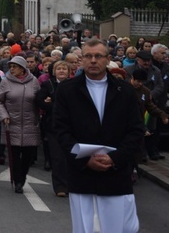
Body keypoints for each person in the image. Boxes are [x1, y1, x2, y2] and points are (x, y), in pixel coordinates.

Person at [53, 38, 144, 233]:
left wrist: (114, 158)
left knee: (123, 228)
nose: (93, 60)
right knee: (86, 229)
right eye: (88, 56)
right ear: (81, 59)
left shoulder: (125, 91)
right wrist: (85, 161)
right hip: (82, 174)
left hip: (116, 175)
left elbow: (135, 131)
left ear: (108, 59)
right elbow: (61, 130)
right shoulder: (66, 90)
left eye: (98, 56)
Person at [0, 55, 40, 193]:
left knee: (27, 156)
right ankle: (18, 181)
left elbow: (39, 99)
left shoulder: (34, 81)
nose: (11, 70)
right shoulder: (5, 82)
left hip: (29, 123)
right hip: (11, 123)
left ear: (22, 68)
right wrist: (4, 116)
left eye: (15, 67)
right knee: (14, 155)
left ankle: (23, 176)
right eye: (10, 67)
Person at [36, 60, 71, 196]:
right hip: (53, 125)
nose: (61, 71)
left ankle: (71, 184)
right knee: (57, 156)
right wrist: (53, 105)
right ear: (54, 71)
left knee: (70, 156)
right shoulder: (48, 84)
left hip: (71, 126)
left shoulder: (74, 85)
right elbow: (39, 101)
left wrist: (52, 100)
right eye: (59, 69)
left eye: (64, 69)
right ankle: (60, 187)